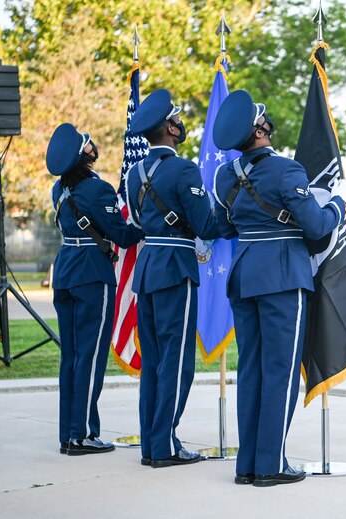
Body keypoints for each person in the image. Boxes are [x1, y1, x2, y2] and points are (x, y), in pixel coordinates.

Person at [211, 90, 346, 487]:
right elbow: (319, 227)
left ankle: (248, 465)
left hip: (244, 274)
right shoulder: (287, 171)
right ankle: (270, 465)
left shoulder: (225, 177)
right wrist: (337, 205)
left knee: (251, 369)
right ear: (259, 131)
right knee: (281, 371)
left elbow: (220, 227)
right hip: (282, 276)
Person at [126, 89, 220, 468]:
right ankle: (164, 444)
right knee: (177, 361)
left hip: (148, 266)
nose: (181, 124)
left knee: (153, 361)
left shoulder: (135, 173)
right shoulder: (183, 170)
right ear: (169, 128)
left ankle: (152, 442)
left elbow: (135, 220)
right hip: (175, 267)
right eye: (177, 119)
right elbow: (204, 225)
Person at [47, 123, 144, 456]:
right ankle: (83, 434)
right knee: (90, 355)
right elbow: (121, 234)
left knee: (71, 356)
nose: (92, 145)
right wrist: (144, 222)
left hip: (65, 270)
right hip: (92, 273)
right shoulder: (97, 190)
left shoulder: (58, 191)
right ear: (82, 155)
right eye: (87, 143)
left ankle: (68, 432)